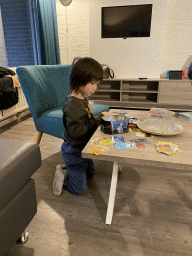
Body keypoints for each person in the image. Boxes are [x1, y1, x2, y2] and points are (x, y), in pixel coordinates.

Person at [52, 57, 109, 196]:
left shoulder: (81, 96)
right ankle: (62, 175)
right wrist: (97, 121)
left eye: (97, 83)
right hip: (73, 150)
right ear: (79, 79)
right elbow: (76, 132)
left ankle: (68, 170)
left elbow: (86, 119)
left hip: (83, 147)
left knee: (90, 173)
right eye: (92, 83)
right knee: (79, 189)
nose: (95, 88)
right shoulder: (73, 105)